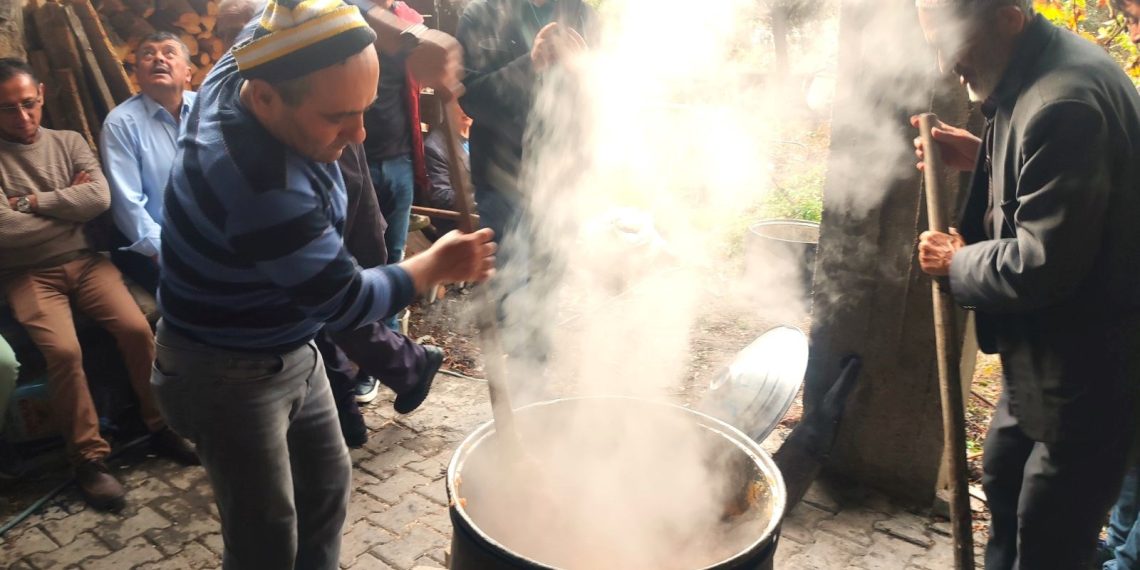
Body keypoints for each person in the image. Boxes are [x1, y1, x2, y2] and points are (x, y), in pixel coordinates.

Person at [150, 1, 490, 567]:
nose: (358, 133)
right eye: (338, 116)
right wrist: (434, 265)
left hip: (289, 345)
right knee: (266, 535)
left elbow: (307, 6)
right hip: (224, 373)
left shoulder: (249, 64)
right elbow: (346, 300)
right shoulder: (260, 185)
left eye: (364, 110)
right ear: (265, 99)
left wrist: (408, 41)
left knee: (326, 489)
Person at [913, 1, 1140, 568]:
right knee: (1005, 477)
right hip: (1040, 355)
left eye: (952, 42)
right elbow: (1058, 181)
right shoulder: (1037, 67)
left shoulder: (1065, 101)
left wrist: (957, 261)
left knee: (1048, 534)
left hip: (1089, 370)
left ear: (1008, 18)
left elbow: (1044, 263)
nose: (946, 63)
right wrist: (978, 154)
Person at [0, 58, 198, 512]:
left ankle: (161, 423)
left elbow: (99, 199)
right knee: (64, 352)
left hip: (88, 262)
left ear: (42, 95)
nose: (23, 117)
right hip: (26, 274)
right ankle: (88, 459)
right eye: (8, 109)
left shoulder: (67, 142)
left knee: (136, 326)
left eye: (29, 104)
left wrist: (30, 203)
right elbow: (4, 231)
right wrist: (66, 211)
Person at [456, 0, 595, 368]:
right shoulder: (481, 15)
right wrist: (530, 64)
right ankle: (518, 371)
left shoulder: (582, 13)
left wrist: (584, 73)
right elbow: (472, 99)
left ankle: (534, 371)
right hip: (502, 179)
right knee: (509, 282)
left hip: (562, 175)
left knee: (549, 276)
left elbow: (602, 98)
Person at [100, 32, 197, 294]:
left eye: (168, 52)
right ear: (138, 76)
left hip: (210, 240)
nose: (158, 58)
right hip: (152, 246)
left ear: (188, 73)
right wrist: (167, 257)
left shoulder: (208, 111)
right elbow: (127, 205)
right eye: (148, 54)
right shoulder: (121, 123)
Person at [421, 101, 472, 237]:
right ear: (446, 105)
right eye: (460, 102)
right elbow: (441, 197)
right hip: (460, 226)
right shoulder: (435, 148)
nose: (466, 108)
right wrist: (481, 198)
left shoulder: (482, 135)